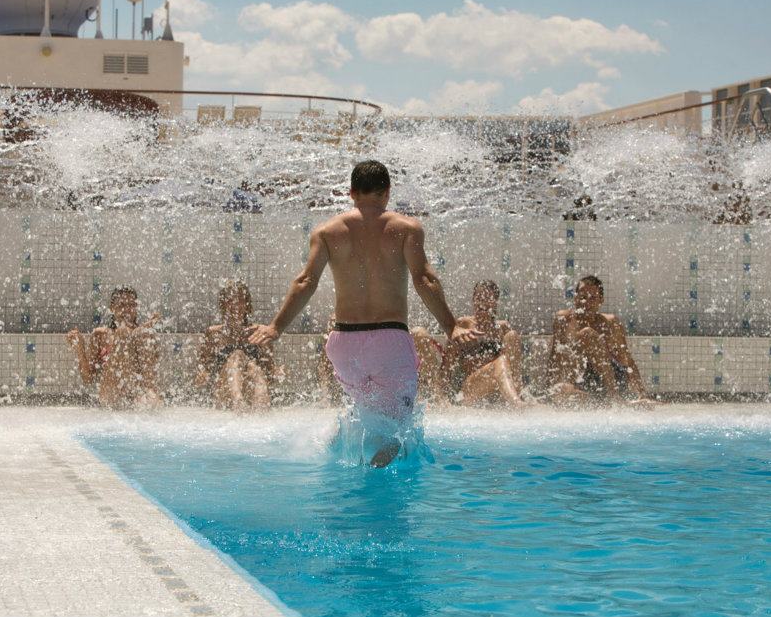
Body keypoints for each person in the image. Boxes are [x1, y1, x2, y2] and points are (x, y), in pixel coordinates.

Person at [248, 160, 479, 467]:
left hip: (344, 343)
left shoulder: (328, 232)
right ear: (387, 192)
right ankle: (372, 487)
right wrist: (451, 327)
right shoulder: (407, 229)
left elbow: (305, 281)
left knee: (363, 412)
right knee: (398, 431)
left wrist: (276, 326)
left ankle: (331, 458)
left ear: (352, 192)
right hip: (389, 341)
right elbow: (424, 279)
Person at [414, 280, 530, 408]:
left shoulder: (502, 328)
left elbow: (513, 365)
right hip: (471, 387)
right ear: (473, 300)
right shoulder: (463, 325)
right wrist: (444, 400)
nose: (482, 302)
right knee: (501, 361)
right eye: (478, 297)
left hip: (497, 389)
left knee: (512, 336)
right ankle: (517, 404)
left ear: (495, 302)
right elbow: (447, 368)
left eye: (487, 298)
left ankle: (517, 395)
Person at [545, 275, 654, 407]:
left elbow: (627, 360)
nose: (586, 302)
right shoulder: (564, 320)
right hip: (581, 381)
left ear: (601, 300)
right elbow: (556, 357)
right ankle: (601, 401)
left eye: (593, 298)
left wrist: (643, 394)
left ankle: (614, 398)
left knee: (587, 334)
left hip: (610, 381)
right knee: (564, 392)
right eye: (583, 297)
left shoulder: (610, 323)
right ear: (575, 298)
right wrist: (552, 388)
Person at [66, 286, 162, 409]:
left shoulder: (145, 337)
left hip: (140, 399)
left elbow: (150, 375)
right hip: (112, 398)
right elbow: (87, 379)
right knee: (123, 332)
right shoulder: (100, 335)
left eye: (132, 305)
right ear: (112, 308)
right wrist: (80, 349)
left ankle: (150, 403)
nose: (127, 310)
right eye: (121, 305)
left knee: (141, 335)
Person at [194, 281, 282, 411]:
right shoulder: (213, 334)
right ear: (223, 304)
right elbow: (204, 368)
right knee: (237, 355)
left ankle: (256, 409)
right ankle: (240, 403)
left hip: (252, 389)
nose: (235, 304)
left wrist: (278, 371)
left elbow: (270, 370)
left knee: (254, 368)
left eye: (240, 299)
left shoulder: (259, 332)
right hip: (224, 391)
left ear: (247, 305)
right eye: (230, 299)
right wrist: (202, 374)